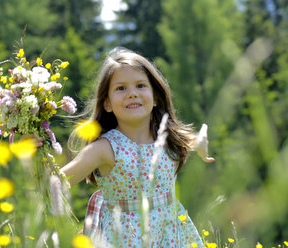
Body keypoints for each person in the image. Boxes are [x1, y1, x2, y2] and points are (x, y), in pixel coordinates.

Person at [61, 47, 214, 248]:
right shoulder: (105, 149)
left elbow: (194, 140)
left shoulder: (167, 137)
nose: (132, 93)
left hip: (173, 236)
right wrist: (32, 148)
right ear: (107, 103)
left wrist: (201, 144)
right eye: (121, 88)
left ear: (156, 97)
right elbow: (58, 182)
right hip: (125, 239)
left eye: (140, 85)